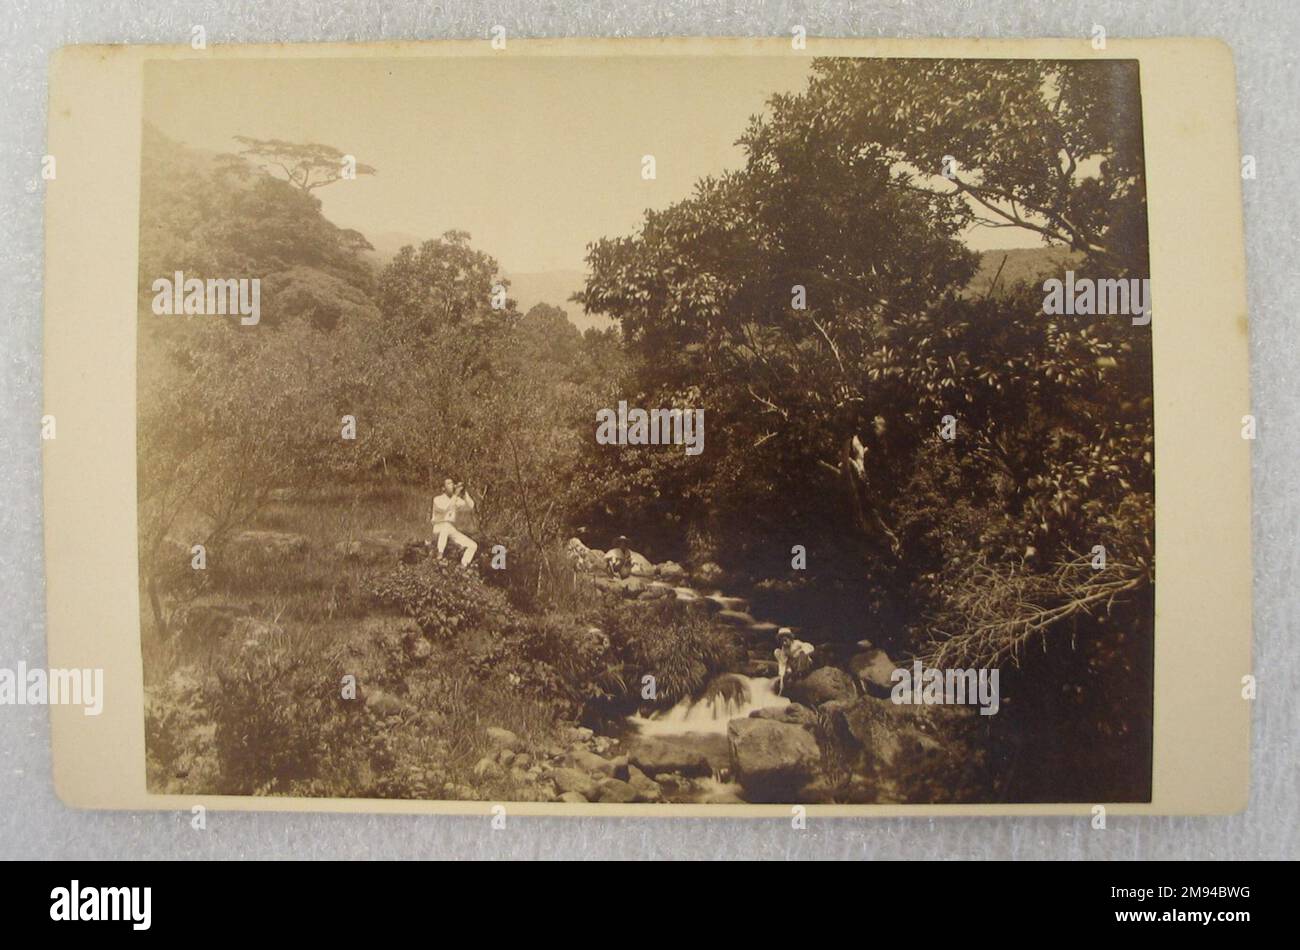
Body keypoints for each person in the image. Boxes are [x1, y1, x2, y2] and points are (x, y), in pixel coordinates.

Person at [431, 477, 478, 567]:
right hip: (439, 527)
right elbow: (445, 508)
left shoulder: (455, 499)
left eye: (452, 483)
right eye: (448, 484)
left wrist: (465, 493)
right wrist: (455, 495)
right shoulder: (437, 499)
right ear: (443, 488)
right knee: (446, 526)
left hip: (450, 529)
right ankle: (440, 554)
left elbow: (470, 507)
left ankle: (463, 565)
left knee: (473, 545)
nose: (452, 485)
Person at [773, 627, 814, 696]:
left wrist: (803, 651)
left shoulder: (797, 643)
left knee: (801, 654)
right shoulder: (784, 650)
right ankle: (794, 676)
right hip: (794, 665)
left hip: (804, 662)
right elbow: (782, 663)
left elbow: (810, 647)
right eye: (782, 641)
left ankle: (800, 673)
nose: (784, 643)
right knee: (787, 665)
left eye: (786, 640)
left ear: (790, 639)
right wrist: (781, 677)